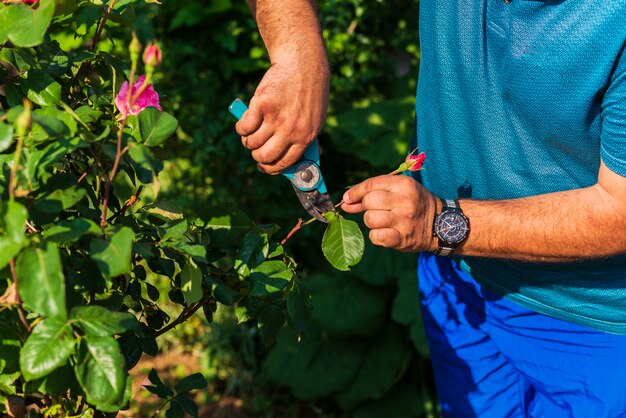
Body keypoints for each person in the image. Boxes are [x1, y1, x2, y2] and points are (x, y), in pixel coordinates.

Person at [236, 1, 626, 416]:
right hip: (455, 278)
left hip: (591, 320)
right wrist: (298, 54)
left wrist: (438, 223)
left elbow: (618, 212)